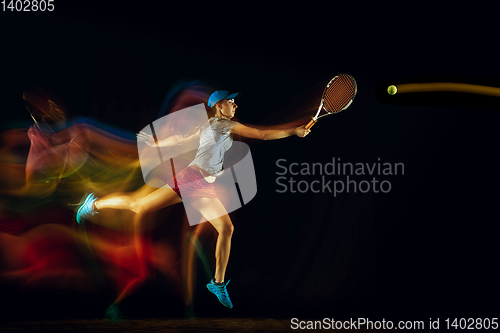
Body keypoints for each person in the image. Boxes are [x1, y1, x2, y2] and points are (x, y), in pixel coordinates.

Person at [76, 90, 311, 309]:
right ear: (219, 107)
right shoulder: (223, 124)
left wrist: (156, 144)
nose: (235, 104)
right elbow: (262, 135)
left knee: (225, 228)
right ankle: (94, 204)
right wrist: (293, 131)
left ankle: (217, 283)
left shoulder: (209, 126)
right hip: (192, 179)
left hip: (202, 185)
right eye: (231, 101)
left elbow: (180, 141)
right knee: (139, 207)